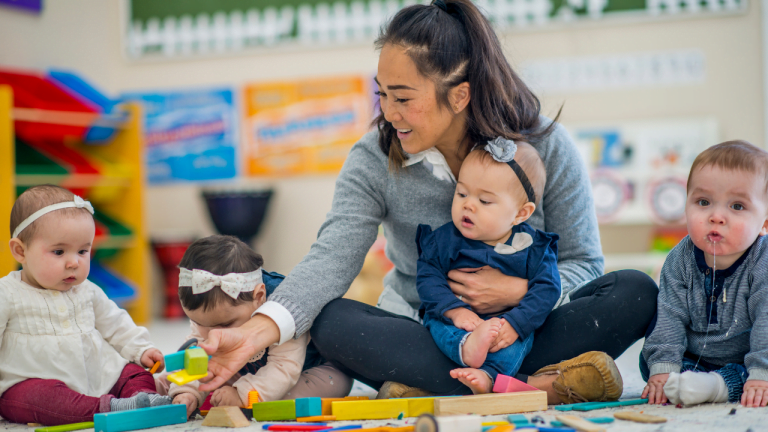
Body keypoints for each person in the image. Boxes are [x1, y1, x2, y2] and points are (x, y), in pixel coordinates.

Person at [196, 0, 658, 404]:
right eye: (382, 95)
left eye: (402, 98)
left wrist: (519, 297)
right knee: (333, 321)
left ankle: (448, 385)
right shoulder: (374, 157)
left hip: (530, 325)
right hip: (429, 331)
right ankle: (538, 385)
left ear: (459, 95)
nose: (388, 113)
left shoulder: (545, 146)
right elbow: (331, 258)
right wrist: (257, 329)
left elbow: (584, 261)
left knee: (636, 292)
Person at [0, 185, 171, 426]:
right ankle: (110, 407)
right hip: (34, 381)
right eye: (59, 251)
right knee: (33, 399)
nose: (74, 262)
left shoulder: (87, 290)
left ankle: (141, 398)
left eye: (83, 250)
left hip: (98, 374)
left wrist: (141, 349)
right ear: (20, 251)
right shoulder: (7, 293)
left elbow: (116, 324)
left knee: (133, 372)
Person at [417, 140, 559, 394]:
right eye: (461, 194)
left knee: (516, 343)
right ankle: (466, 348)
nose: (468, 205)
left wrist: (516, 324)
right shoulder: (443, 241)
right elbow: (428, 279)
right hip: (455, 320)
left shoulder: (533, 247)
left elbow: (547, 289)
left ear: (520, 214)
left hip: (506, 322)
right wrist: (455, 311)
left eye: (484, 200)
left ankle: (488, 377)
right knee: (436, 324)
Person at [163, 236, 352, 417]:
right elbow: (197, 357)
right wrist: (187, 392)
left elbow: (284, 368)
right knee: (179, 378)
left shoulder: (285, 307)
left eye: (225, 325)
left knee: (326, 384)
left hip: (307, 369)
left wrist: (242, 393)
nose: (211, 333)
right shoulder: (211, 317)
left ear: (259, 297)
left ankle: (247, 397)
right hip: (245, 371)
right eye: (198, 323)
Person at [641, 141, 768, 408]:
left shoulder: (762, 261)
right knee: (652, 363)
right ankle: (696, 382)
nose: (716, 216)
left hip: (751, 356)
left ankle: (720, 386)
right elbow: (669, 315)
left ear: (764, 223)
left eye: (737, 206)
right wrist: (664, 368)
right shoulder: (680, 259)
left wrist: (761, 374)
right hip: (694, 357)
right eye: (703, 202)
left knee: (760, 379)